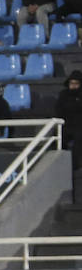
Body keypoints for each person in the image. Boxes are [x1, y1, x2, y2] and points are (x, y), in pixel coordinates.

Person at [53, 70, 82, 198]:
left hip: (79, 126)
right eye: (72, 83)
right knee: (58, 137)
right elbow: (58, 110)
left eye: (76, 83)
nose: (73, 86)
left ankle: (75, 166)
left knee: (79, 139)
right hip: (66, 124)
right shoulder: (63, 95)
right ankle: (58, 163)